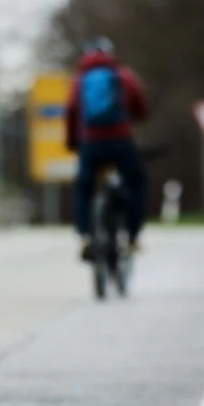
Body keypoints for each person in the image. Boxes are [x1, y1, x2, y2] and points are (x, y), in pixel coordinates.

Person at [65, 37, 149, 261]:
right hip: (120, 140)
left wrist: (73, 143)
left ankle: (85, 235)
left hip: (90, 144)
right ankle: (132, 236)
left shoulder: (79, 81)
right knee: (136, 183)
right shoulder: (123, 76)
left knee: (84, 188)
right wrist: (135, 117)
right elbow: (140, 107)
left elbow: (72, 112)